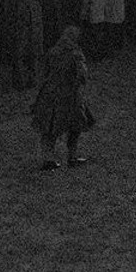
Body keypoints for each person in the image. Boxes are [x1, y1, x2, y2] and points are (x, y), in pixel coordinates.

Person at [30, 24, 90, 169]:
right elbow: (82, 76)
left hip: (50, 93)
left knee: (49, 127)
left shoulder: (52, 52)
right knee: (75, 127)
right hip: (70, 95)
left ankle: (48, 159)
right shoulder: (76, 54)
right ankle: (72, 156)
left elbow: (43, 73)